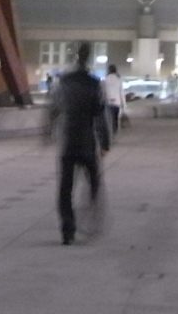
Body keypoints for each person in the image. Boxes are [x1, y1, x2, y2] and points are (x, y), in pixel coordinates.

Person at [48, 43, 111, 245]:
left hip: (67, 142)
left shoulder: (63, 82)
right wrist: (105, 142)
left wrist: (48, 132)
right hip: (86, 142)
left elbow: (53, 110)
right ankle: (90, 217)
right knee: (94, 181)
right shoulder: (94, 83)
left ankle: (68, 229)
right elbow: (101, 116)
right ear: (89, 57)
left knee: (65, 188)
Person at [103, 63, 126, 134]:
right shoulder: (119, 79)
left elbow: (103, 91)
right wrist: (124, 105)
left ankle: (109, 132)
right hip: (117, 102)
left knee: (109, 119)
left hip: (108, 102)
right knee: (115, 118)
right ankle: (114, 132)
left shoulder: (105, 79)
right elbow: (121, 92)